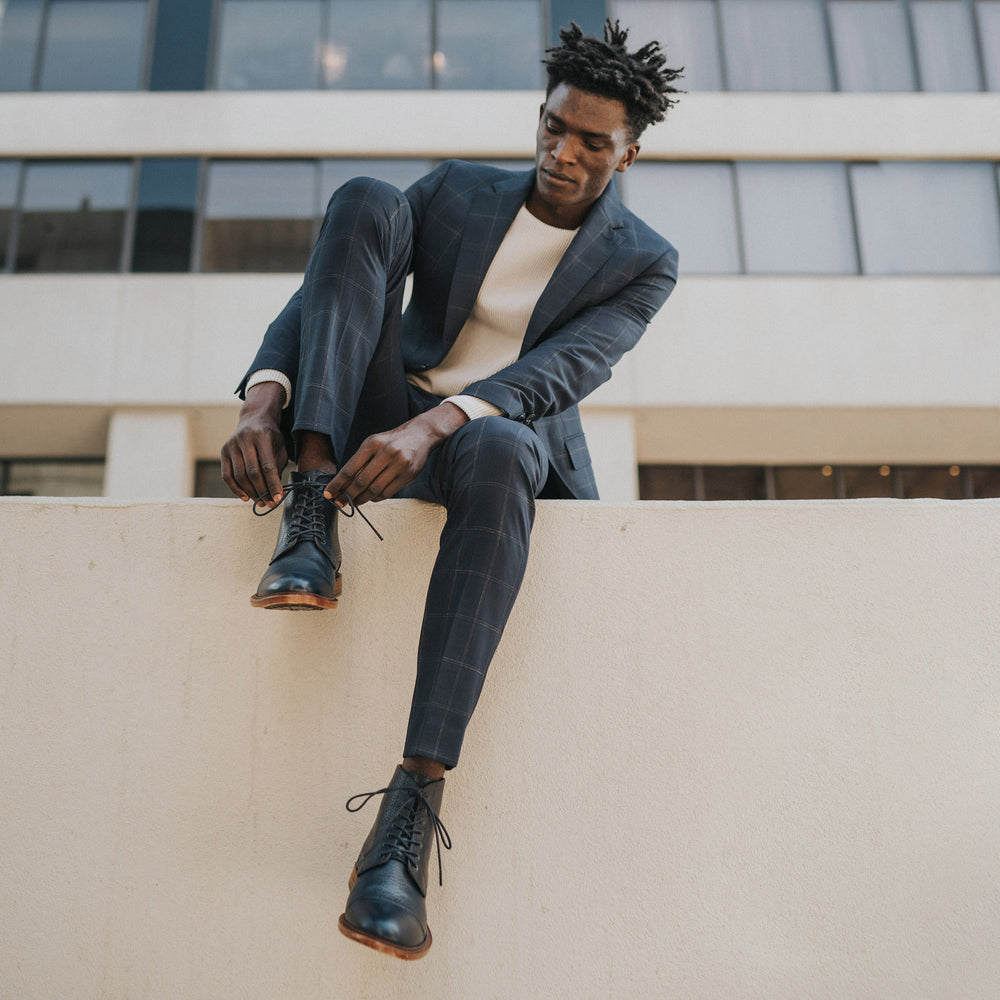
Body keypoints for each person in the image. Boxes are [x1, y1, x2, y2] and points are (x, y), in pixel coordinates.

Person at [220, 19, 682, 960]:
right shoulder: (460, 187)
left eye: (593, 142)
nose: (564, 151)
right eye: (555, 127)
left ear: (627, 151)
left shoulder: (643, 260)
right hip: (369, 416)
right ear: (540, 117)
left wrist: (439, 422)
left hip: (480, 440)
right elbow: (328, 287)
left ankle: (405, 825)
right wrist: (262, 396)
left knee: (509, 448)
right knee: (361, 201)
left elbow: (564, 370)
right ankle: (310, 519)